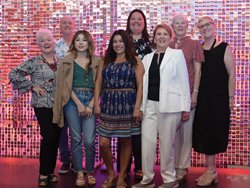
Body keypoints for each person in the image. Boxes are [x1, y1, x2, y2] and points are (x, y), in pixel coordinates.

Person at [132, 24, 191, 188]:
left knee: (167, 144)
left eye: (165, 34)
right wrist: (141, 107)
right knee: (147, 142)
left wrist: (185, 107)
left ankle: (169, 179)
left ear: (170, 37)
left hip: (170, 106)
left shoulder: (177, 55)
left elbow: (183, 81)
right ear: (154, 37)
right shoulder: (147, 58)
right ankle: (147, 178)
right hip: (149, 104)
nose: (162, 37)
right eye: (159, 34)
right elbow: (144, 83)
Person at [9, 29, 61, 187]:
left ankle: (51, 172)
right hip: (42, 104)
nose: (46, 43)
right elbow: (14, 74)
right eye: (42, 40)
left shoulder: (61, 60)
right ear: (38, 44)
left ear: (54, 42)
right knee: (49, 137)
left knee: (56, 139)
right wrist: (32, 86)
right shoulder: (34, 61)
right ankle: (43, 173)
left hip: (59, 105)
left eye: (49, 40)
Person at [94, 29, 144, 188]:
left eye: (121, 41)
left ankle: (121, 176)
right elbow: (98, 83)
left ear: (126, 43)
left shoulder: (135, 61)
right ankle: (111, 173)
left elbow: (141, 85)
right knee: (103, 143)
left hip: (128, 105)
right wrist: (96, 103)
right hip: (108, 105)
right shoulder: (105, 60)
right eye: (115, 41)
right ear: (111, 44)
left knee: (126, 142)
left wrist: (137, 107)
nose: (118, 44)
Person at [53, 30, 101, 187]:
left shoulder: (97, 61)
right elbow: (65, 85)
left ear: (89, 43)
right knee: (75, 139)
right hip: (72, 102)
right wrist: (79, 103)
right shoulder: (67, 61)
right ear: (73, 43)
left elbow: (100, 85)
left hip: (91, 101)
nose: (81, 42)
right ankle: (80, 172)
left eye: (84, 40)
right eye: (78, 40)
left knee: (89, 140)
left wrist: (91, 104)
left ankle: (90, 171)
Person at [192, 16, 236, 186]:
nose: (204, 28)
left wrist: (231, 98)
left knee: (214, 133)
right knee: (204, 132)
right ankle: (210, 170)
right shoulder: (199, 48)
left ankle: (211, 171)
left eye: (207, 25)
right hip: (203, 98)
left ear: (214, 26)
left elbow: (232, 74)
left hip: (218, 99)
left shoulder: (224, 48)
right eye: (201, 26)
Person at [116, 9, 153, 179]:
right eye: (133, 19)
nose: (136, 21)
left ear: (144, 23)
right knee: (123, 132)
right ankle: (122, 169)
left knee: (139, 132)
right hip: (124, 93)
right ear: (129, 22)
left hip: (144, 93)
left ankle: (139, 166)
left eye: (140, 19)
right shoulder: (122, 41)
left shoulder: (151, 44)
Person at [169, 13, 204, 182]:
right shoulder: (167, 44)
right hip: (170, 96)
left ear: (187, 25)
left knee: (186, 132)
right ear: (173, 26)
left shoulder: (194, 44)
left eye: (183, 23)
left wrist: (194, 93)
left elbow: (198, 70)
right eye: (177, 23)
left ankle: (182, 166)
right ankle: (174, 165)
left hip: (188, 93)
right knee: (173, 132)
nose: (180, 25)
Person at [54, 16, 75, 174]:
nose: (67, 25)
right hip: (61, 94)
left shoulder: (80, 43)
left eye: (70, 23)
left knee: (76, 129)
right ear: (60, 27)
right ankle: (66, 160)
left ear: (74, 26)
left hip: (78, 92)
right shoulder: (55, 46)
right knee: (62, 129)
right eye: (64, 23)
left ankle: (76, 160)